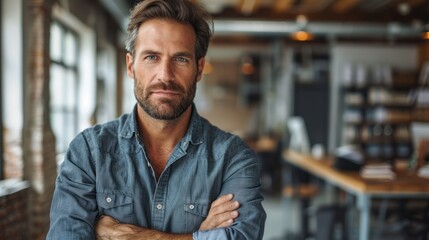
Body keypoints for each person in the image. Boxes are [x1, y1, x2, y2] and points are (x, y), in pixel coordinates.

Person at [46, 0, 266, 239]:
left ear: (199, 68)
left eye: (181, 59)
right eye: (151, 57)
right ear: (131, 66)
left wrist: (134, 236)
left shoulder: (233, 158)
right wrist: (198, 235)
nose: (165, 75)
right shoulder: (88, 152)